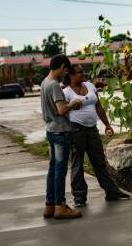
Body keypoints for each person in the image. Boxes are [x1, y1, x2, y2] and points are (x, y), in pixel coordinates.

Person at [63, 65, 131, 207]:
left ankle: (111, 192)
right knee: (77, 163)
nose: (83, 74)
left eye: (83, 71)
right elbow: (61, 111)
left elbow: (98, 106)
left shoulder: (89, 85)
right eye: (80, 72)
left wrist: (107, 125)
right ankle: (79, 197)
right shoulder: (66, 92)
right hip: (76, 131)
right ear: (71, 75)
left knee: (99, 161)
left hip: (92, 129)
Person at [41, 54, 83, 219]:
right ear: (61, 67)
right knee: (60, 170)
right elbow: (61, 110)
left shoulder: (44, 82)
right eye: (66, 70)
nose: (66, 74)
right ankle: (60, 206)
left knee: (53, 170)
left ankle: (49, 205)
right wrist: (72, 103)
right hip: (60, 130)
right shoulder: (54, 85)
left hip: (51, 130)